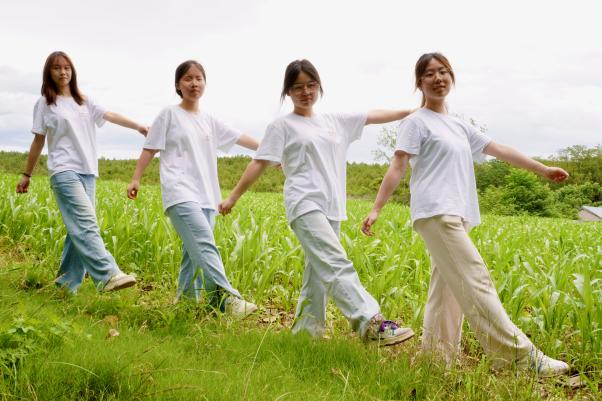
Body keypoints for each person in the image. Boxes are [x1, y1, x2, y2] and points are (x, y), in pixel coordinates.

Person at [361, 52, 570, 375]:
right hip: (436, 212)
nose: (438, 78)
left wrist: (541, 169)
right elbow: (398, 165)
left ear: (452, 77)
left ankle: (435, 361)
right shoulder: (416, 122)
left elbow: (500, 149)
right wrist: (376, 208)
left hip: (457, 214)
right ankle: (518, 358)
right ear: (419, 82)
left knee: (446, 290)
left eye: (443, 71)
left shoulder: (458, 125)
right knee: (476, 279)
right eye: (429, 73)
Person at [219, 59, 415, 345]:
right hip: (304, 203)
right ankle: (371, 323)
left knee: (318, 273)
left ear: (319, 86)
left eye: (311, 85)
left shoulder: (334, 120)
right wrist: (233, 197)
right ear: (288, 92)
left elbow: (371, 116)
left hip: (332, 207)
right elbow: (259, 162)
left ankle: (305, 335)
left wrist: (410, 112)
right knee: (335, 263)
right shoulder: (282, 126)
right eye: (298, 87)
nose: (306, 92)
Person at [127, 60, 259, 318]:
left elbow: (239, 137)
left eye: (199, 78)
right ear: (178, 85)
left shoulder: (210, 120)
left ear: (205, 83)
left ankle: (186, 302)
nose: (194, 83)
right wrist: (136, 178)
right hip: (180, 192)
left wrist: (269, 150)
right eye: (188, 78)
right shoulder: (169, 114)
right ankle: (227, 299)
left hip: (207, 196)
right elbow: (150, 147)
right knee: (204, 244)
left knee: (194, 249)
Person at [16, 51, 147, 294]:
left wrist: (138, 126)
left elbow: (109, 115)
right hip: (63, 170)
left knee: (78, 228)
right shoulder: (44, 103)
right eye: (57, 68)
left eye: (67, 67)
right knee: (86, 223)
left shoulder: (84, 100)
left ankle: (64, 287)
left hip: (88, 171)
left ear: (72, 71)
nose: (63, 72)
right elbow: (38, 140)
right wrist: (27, 174)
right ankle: (108, 275)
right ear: (49, 72)